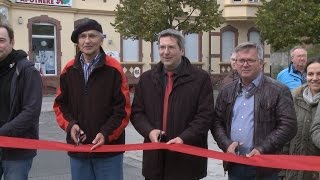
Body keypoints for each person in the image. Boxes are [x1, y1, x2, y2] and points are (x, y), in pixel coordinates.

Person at [130, 29, 214, 180]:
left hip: (187, 160)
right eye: (162, 47)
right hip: (154, 160)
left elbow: (205, 117)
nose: (165, 52)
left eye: (171, 47)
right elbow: (137, 113)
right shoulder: (146, 79)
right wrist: (149, 132)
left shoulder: (200, 79)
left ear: (181, 50)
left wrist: (183, 138)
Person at [53, 19, 131, 180]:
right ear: (77, 42)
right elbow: (60, 105)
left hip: (109, 151)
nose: (87, 41)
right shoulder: (68, 70)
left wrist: (106, 134)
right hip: (78, 149)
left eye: (92, 36)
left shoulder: (114, 69)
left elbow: (123, 110)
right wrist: (71, 126)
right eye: (82, 36)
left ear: (101, 39)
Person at [212, 42, 297, 179]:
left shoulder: (279, 90)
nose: (245, 64)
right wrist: (226, 145)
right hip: (234, 163)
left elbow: (289, 126)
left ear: (261, 63)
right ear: (236, 63)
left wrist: (262, 148)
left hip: (264, 166)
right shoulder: (227, 90)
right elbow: (216, 121)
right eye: (241, 60)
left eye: (250, 60)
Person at [0, 23, 42, 180]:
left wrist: (2, 133)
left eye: (1, 40)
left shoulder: (27, 70)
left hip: (17, 151)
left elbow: (31, 111)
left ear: (12, 42)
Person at [282, 57, 320, 180]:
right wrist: (282, 171)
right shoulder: (294, 98)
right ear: (305, 76)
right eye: (310, 74)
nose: (315, 78)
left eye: (319, 74)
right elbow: (286, 135)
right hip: (294, 171)